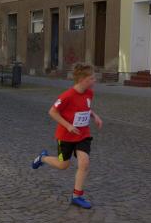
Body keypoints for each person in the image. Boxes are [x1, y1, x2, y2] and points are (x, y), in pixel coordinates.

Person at [32, 63, 103, 209]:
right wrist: (68, 126)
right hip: (65, 136)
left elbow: (85, 108)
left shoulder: (89, 93)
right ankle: (43, 158)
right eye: (91, 78)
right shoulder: (67, 95)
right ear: (82, 80)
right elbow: (52, 112)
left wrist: (94, 116)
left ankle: (77, 196)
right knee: (63, 165)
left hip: (82, 134)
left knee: (84, 163)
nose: (94, 80)